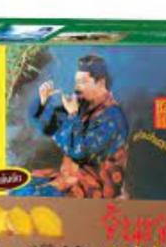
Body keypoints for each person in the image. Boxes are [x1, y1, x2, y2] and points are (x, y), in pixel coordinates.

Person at [12, 54, 130, 198]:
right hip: (69, 178)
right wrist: (43, 102)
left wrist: (73, 115)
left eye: (82, 82)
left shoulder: (113, 117)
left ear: (100, 82)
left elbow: (79, 152)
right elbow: (50, 126)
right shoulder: (84, 106)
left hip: (92, 187)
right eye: (76, 82)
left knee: (28, 196)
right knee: (18, 187)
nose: (76, 88)